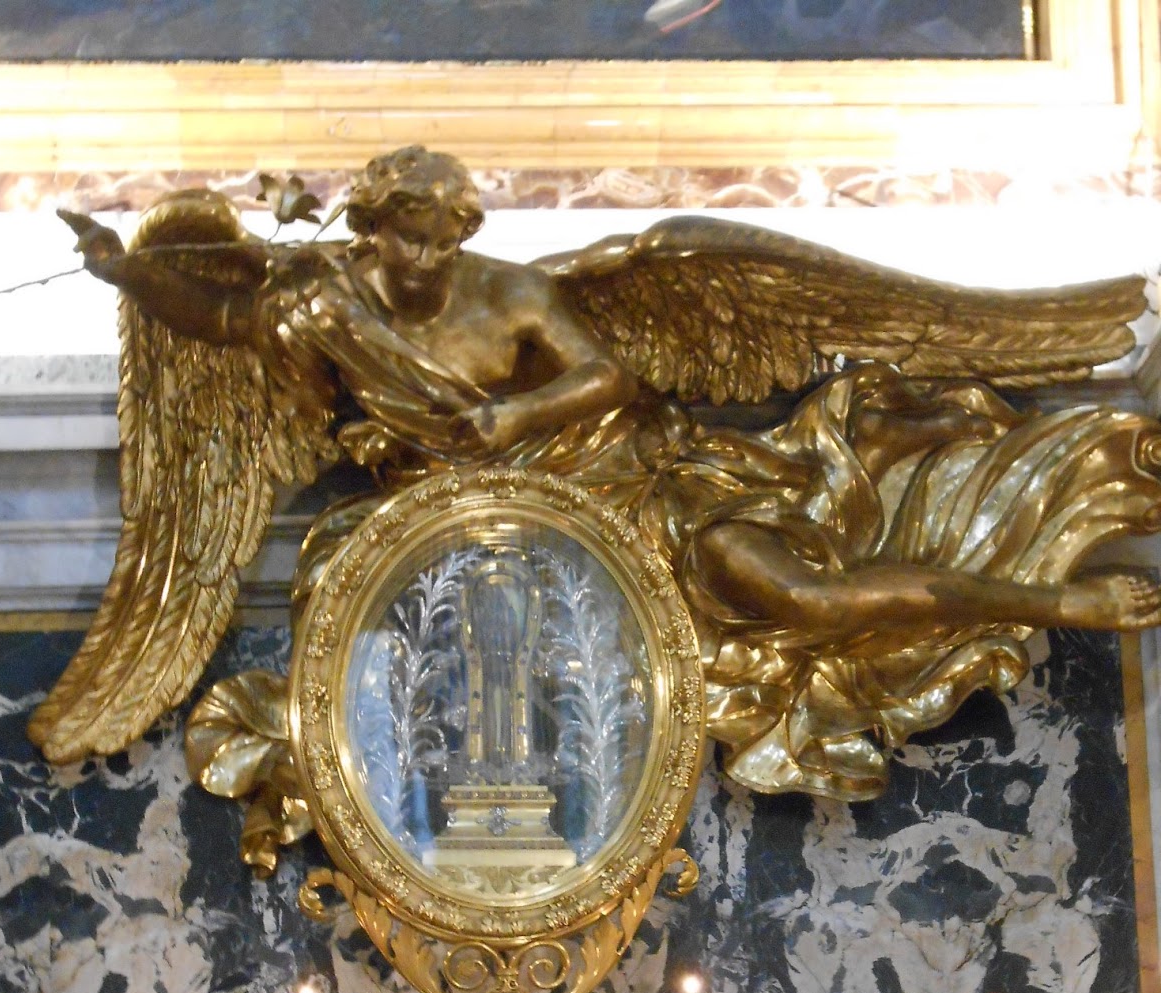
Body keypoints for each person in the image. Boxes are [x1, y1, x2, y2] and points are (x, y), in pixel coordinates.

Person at [57, 145, 1161, 800]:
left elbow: (609, 374)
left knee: (803, 599)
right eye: (408, 238)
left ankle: (1058, 602)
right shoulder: (320, 302)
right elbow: (221, 318)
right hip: (470, 516)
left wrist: (513, 414)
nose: (428, 259)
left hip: (631, 490)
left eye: (445, 239)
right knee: (374, 617)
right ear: (371, 228)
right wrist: (123, 273)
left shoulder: (513, 294)